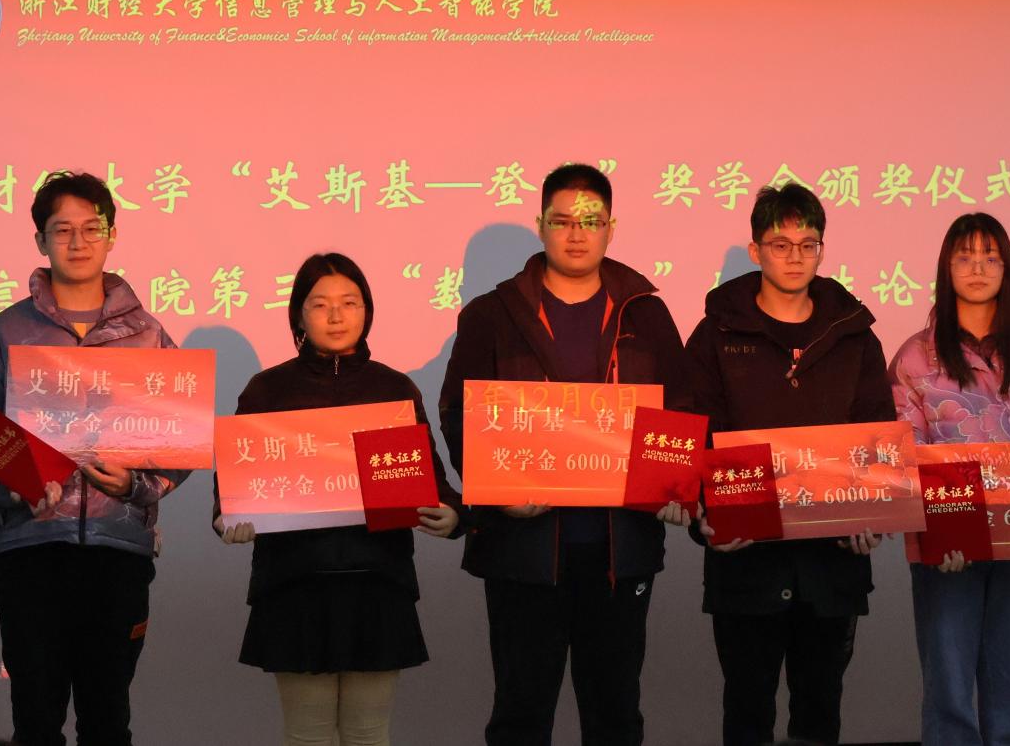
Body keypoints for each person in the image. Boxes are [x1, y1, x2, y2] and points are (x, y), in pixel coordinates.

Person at [437, 161, 694, 746]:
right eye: (562, 221)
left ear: (611, 229)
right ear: (541, 226)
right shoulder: (491, 314)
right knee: (521, 715)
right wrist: (498, 491)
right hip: (522, 550)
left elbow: (680, 412)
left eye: (591, 221)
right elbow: (458, 413)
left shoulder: (645, 313)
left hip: (620, 548)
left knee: (615, 715)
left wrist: (674, 486)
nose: (577, 234)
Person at [0, 170, 189, 746]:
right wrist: (19, 480)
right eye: (62, 229)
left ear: (112, 236)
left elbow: (180, 434)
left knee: (108, 719)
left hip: (118, 550)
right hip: (30, 546)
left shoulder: (148, 335)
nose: (78, 241)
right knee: (36, 719)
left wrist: (135, 485)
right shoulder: (6, 332)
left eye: (91, 228)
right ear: (40, 240)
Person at [213, 252, 463, 746]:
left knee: (369, 733)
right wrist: (227, 519)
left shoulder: (393, 389)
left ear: (367, 310)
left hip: (378, 581)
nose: (335, 315)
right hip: (295, 585)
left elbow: (431, 482)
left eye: (349, 302)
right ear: (298, 315)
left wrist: (454, 515)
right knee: (307, 735)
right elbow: (231, 490)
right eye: (320, 304)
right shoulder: (267, 391)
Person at [683, 182, 895, 746]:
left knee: (819, 716)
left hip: (831, 567)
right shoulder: (715, 335)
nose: (795, 257)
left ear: (822, 250)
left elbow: (876, 433)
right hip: (745, 564)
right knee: (747, 714)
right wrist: (705, 514)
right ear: (756, 251)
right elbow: (692, 433)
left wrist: (874, 516)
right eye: (780, 244)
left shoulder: (854, 337)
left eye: (808, 244)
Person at [889, 211, 1010, 746]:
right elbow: (906, 454)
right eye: (965, 257)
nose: (977, 268)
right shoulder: (914, 357)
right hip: (947, 551)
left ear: (1007, 268)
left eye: (990, 257)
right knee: (949, 694)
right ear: (946, 268)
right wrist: (938, 534)